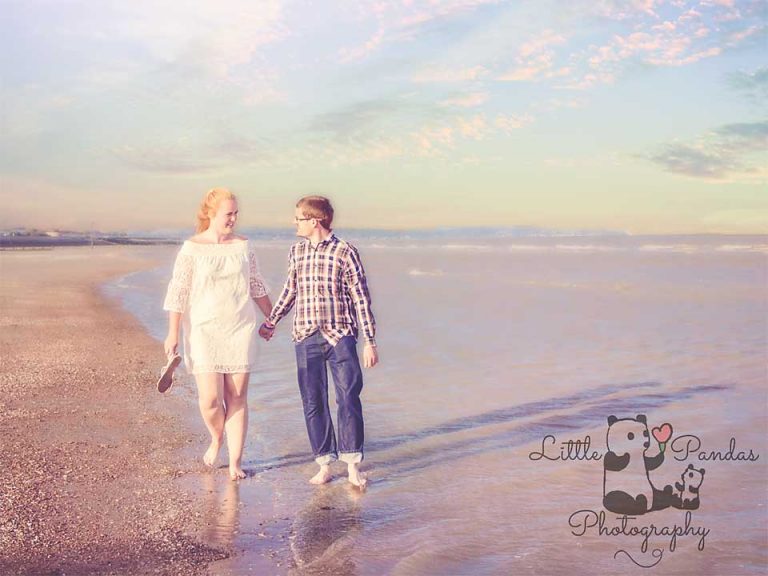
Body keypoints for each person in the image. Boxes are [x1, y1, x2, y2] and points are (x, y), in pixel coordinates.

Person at [259, 196, 378, 487]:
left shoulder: (345, 251)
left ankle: (352, 466)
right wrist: (272, 320)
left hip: (341, 336)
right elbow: (290, 290)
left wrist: (369, 341)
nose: (294, 223)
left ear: (314, 221)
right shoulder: (296, 252)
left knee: (348, 399)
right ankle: (324, 463)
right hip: (305, 335)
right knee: (313, 401)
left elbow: (360, 298)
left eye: (298, 218)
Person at [163, 188, 272, 481]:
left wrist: (272, 317)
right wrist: (172, 333)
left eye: (236, 213)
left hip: (240, 328)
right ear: (211, 214)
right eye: (229, 214)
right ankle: (216, 438)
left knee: (236, 397)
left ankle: (236, 462)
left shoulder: (244, 246)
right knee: (210, 400)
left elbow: (256, 285)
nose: (234, 219)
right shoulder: (192, 248)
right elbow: (178, 292)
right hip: (203, 329)